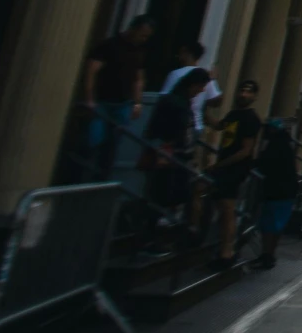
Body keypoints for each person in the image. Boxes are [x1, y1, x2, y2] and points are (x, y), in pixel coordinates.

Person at [81, 16, 155, 176]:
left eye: (146, 37)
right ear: (133, 29)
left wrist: (137, 102)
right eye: (142, 34)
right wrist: (90, 99)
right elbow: (91, 71)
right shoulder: (110, 45)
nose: (143, 39)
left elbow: (139, 79)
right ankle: (84, 175)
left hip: (123, 103)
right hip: (103, 101)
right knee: (94, 140)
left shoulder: (139, 51)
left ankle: (102, 176)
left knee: (113, 142)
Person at [208, 80, 264, 269]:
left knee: (228, 209)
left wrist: (221, 164)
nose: (244, 94)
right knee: (221, 207)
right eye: (242, 90)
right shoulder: (233, 115)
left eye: (249, 92)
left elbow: (246, 150)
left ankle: (227, 251)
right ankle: (219, 245)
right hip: (225, 167)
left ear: (255, 96)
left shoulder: (251, 118)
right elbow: (219, 126)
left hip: (235, 169)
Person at [142, 64, 205, 228]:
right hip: (171, 156)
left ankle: (162, 228)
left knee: (175, 194)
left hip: (179, 156)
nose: (201, 91)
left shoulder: (181, 102)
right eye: (200, 87)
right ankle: (154, 230)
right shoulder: (175, 103)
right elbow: (159, 129)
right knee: (165, 194)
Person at [252, 120, 300, 269]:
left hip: (275, 191)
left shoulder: (274, 146)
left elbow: (264, 164)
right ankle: (269, 254)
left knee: (268, 225)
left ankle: (267, 254)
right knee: (277, 224)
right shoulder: (287, 145)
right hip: (287, 190)